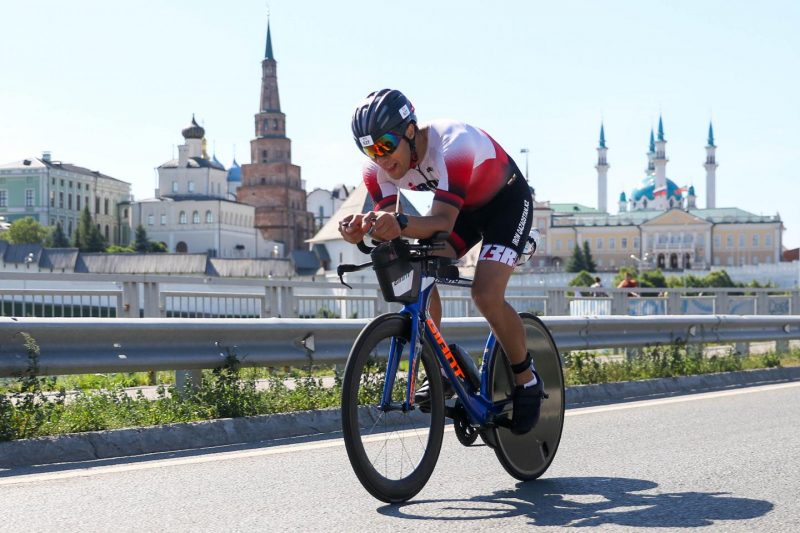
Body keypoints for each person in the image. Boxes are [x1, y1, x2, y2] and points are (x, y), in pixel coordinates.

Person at [339, 89, 544, 435]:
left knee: (485, 295)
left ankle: (527, 380)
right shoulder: (376, 171)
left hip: (505, 204)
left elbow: (441, 222)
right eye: (370, 151)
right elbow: (390, 227)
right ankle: (444, 365)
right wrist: (365, 229)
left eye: (385, 145)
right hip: (462, 210)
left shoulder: (453, 143)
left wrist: (398, 223)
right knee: (418, 267)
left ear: (409, 130)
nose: (381, 159)